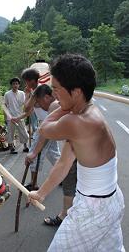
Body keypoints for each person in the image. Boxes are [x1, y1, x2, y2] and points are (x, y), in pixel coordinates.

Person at [28, 54, 125, 251]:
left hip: (93, 209)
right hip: (107, 202)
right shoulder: (86, 113)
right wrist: (41, 193)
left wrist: (62, 109)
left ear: (77, 92)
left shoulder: (77, 122)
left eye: (56, 89)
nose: (53, 95)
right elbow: (64, 163)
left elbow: (44, 129)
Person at [25, 84, 77, 227]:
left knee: (69, 182)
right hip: (82, 151)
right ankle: (68, 215)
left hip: (79, 151)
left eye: (56, 89)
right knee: (73, 181)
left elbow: (44, 131)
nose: (40, 106)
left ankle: (65, 216)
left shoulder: (56, 106)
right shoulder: (77, 105)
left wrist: (34, 152)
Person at [21, 70, 61, 191]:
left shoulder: (41, 90)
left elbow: (27, 107)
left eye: (26, 81)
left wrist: (31, 95)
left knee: (34, 153)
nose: (26, 84)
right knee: (53, 154)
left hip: (47, 125)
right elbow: (27, 110)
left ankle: (34, 183)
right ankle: (64, 176)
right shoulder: (37, 91)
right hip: (48, 125)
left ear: (31, 80)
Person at [3, 77, 29, 154]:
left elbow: (25, 104)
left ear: (19, 85)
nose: (15, 85)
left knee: (23, 132)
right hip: (10, 117)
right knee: (11, 132)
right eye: (14, 84)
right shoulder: (7, 94)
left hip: (19, 116)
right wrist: (5, 117)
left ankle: (25, 146)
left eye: (17, 84)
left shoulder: (22, 93)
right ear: (11, 85)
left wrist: (25, 114)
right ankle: (11, 148)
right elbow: (4, 106)